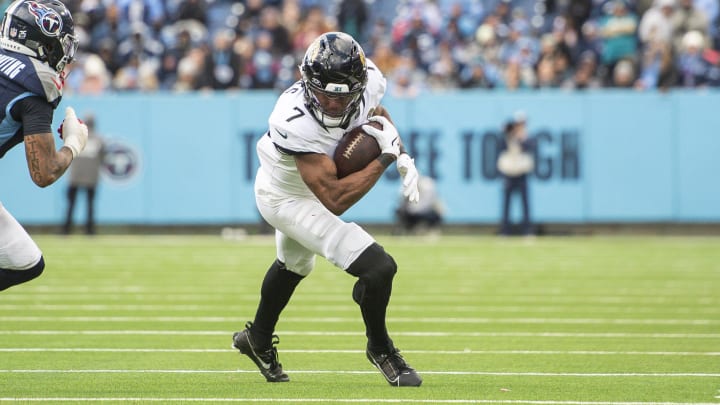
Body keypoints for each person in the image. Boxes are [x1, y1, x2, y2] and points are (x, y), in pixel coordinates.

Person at [232, 32, 423, 387]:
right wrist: (385, 158)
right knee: (380, 268)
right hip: (285, 196)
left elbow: (378, 117)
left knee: (295, 265)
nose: (333, 106)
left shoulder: (371, 83)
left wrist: (402, 151)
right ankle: (381, 349)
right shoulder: (291, 119)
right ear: (307, 85)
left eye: (343, 97)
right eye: (323, 95)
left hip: (312, 191)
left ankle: (256, 339)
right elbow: (335, 199)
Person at [0, 0, 88, 291]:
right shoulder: (34, 83)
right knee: (25, 261)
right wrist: (73, 144)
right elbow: (44, 173)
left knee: (25, 259)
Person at [62, 114, 105, 235]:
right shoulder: (99, 139)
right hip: (91, 177)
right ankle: (90, 230)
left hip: (75, 176)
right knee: (90, 205)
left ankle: (66, 229)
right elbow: (103, 157)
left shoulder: (76, 138)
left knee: (71, 204)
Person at [497, 111, 535, 236]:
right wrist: (508, 134)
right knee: (506, 204)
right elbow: (501, 147)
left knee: (525, 203)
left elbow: (529, 148)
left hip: (521, 172)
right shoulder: (508, 136)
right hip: (508, 172)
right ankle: (505, 231)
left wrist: (520, 138)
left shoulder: (526, 136)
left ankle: (527, 230)